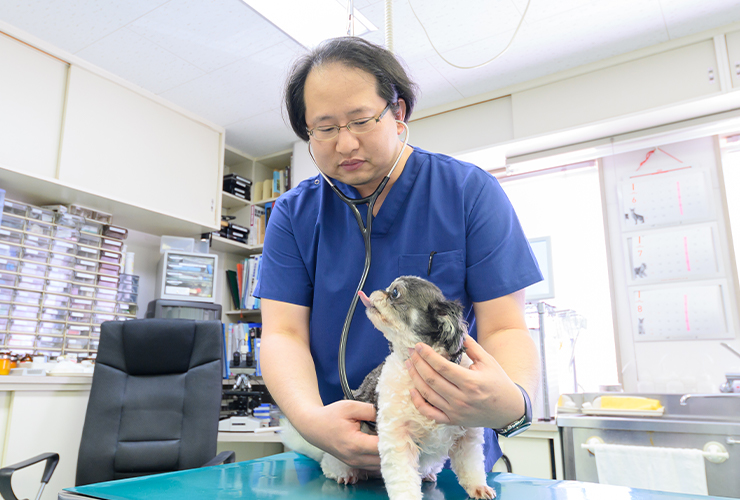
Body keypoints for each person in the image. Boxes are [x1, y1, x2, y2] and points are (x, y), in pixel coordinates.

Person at [256, 36, 542, 474]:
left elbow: (504, 325)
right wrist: (313, 422)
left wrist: (514, 400)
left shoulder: (468, 192)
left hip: (444, 453)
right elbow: (283, 335)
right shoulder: (293, 216)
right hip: (338, 454)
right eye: (325, 128)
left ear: (398, 113)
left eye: (361, 120)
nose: (346, 144)